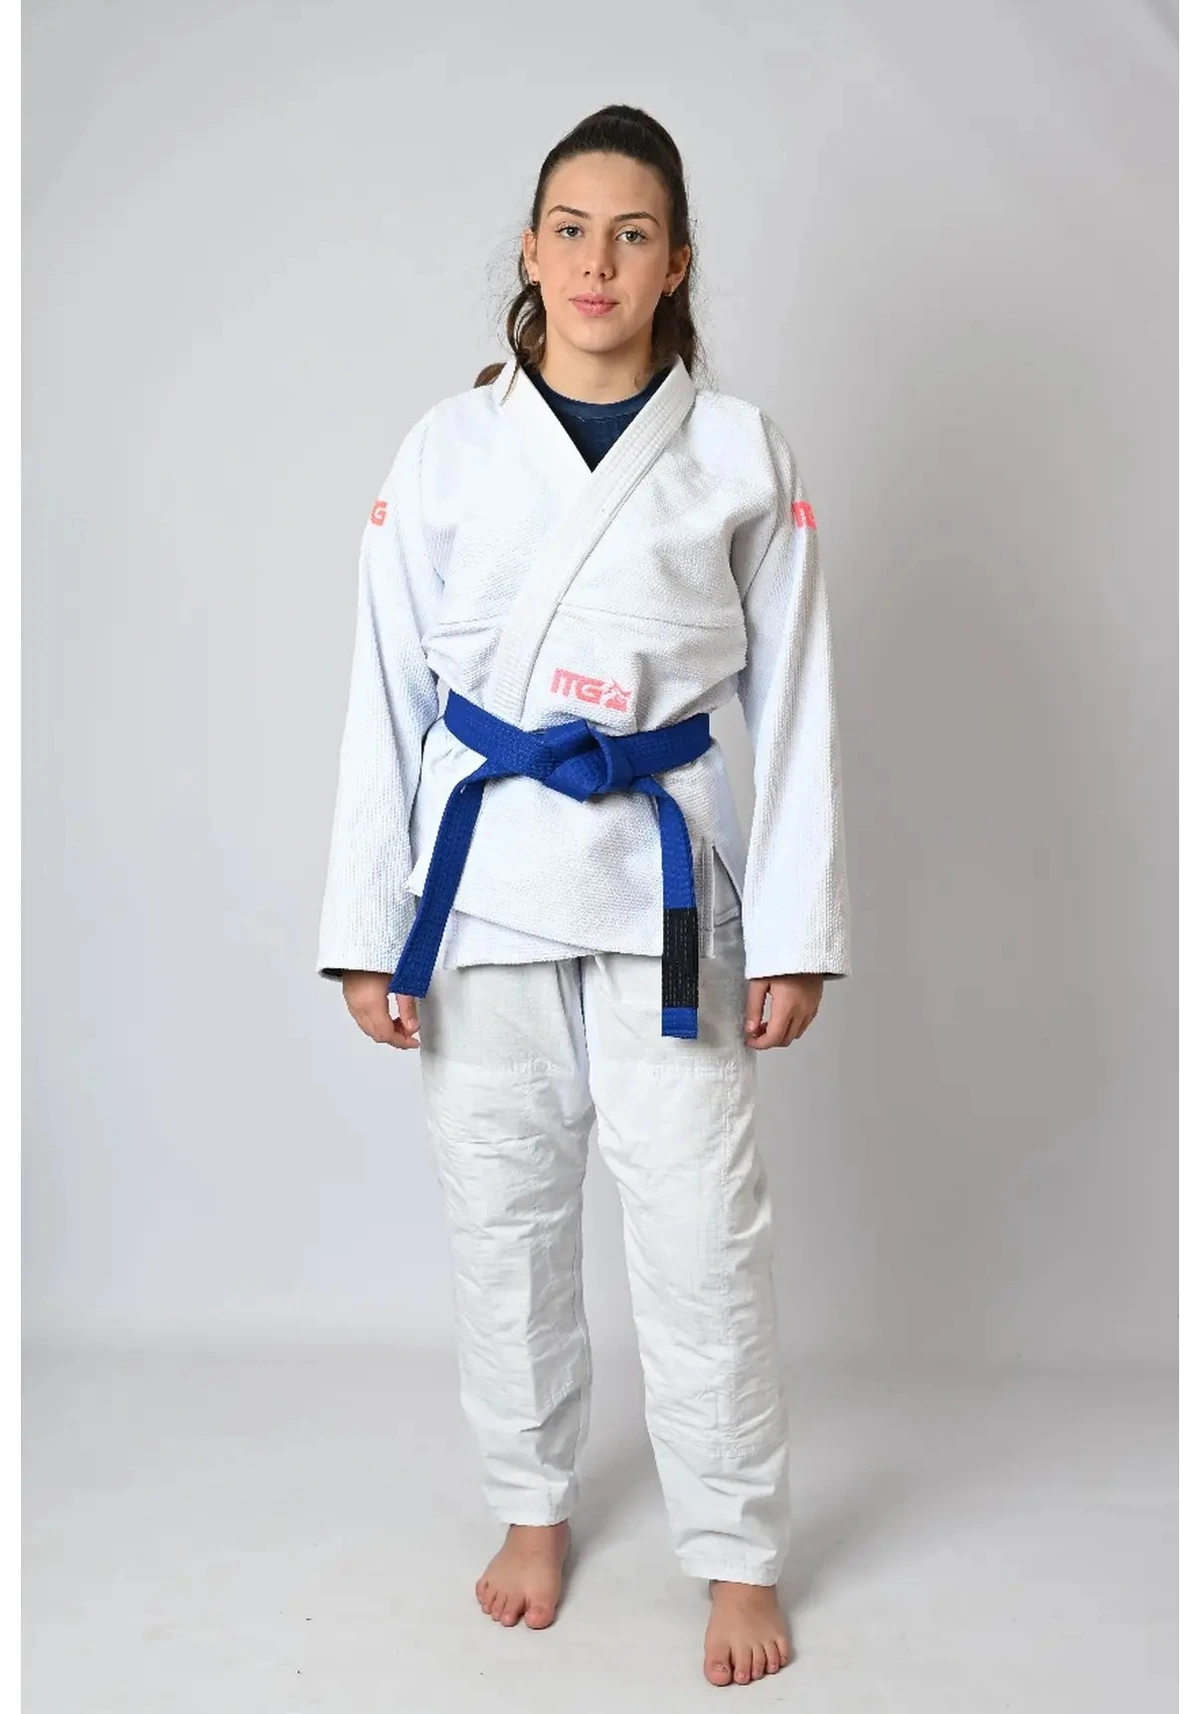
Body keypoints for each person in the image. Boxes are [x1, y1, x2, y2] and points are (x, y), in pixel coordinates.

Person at [316, 103, 851, 1689]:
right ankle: (532, 1506)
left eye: (632, 233)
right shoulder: (444, 448)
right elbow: (386, 694)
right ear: (532, 251)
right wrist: (367, 929)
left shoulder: (739, 452)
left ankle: (736, 1548)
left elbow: (798, 702)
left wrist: (798, 930)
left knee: (703, 1233)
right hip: (483, 888)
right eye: (570, 228)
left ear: (677, 261)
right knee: (503, 1218)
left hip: (664, 893)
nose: (597, 260)